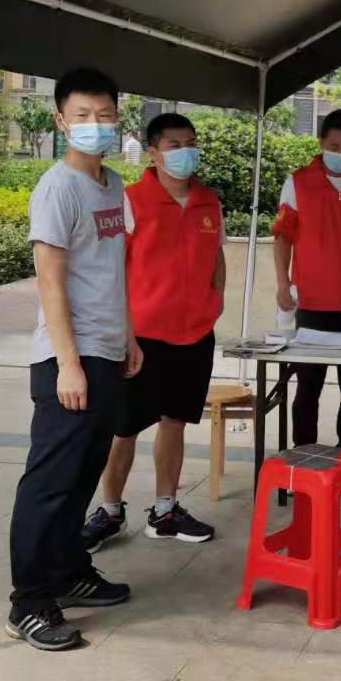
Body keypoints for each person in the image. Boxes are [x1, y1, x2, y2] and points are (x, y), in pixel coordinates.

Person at [6, 67, 141, 652]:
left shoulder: (112, 185)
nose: (94, 124)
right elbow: (50, 280)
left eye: (104, 115)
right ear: (61, 120)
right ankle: (29, 602)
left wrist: (128, 336)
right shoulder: (56, 188)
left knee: (84, 474)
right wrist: (67, 363)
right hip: (69, 357)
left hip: (106, 350)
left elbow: (114, 269)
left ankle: (66, 571)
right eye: (82, 115)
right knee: (51, 483)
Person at [82, 113, 224, 551]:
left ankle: (165, 511)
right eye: (173, 145)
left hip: (194, 335)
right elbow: (112, 269)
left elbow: (217, 258)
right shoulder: (130, 200)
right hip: (140, 337)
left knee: (175, 421)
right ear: (153, 152)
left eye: (190, 143)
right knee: (124, 427)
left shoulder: (208, 202)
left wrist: (214, 303)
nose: (184, 152)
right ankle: (109, 510)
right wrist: (124, 333)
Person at [272, 109, 341, 462]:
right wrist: (283, 282)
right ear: (321, 142)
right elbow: (282, 236)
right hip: (312, 304)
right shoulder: (298, 182)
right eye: (334, 146)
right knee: (308, 387)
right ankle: (304, 457)